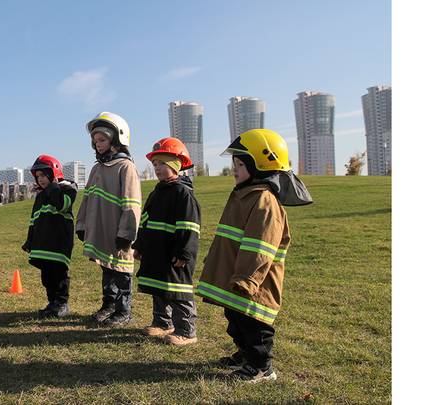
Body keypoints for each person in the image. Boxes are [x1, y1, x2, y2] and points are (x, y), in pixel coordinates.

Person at [194, 129, 312, 382]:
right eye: (234, 163)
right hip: (237, 275)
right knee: (236, 319)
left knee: (255, 325)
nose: (234, 169)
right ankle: (246, 354)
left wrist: (248, 279)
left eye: (239, 164)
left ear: (260, 165)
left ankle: (261, 366)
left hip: (255, 281)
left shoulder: (264, 201)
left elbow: (261, 246)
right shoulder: (244, 195)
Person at [132, 137, 201, 346]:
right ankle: (163, 323)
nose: (157, 168)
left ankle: (187, 331)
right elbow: (145, 221)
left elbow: (190, 227)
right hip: (156, 251)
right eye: (154, 164)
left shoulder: (183, 194)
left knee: (178, 290)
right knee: (159, 287)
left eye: (162, 163)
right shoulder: (157, 192)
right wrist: (139, 246)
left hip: (174, 253)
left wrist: (184, 254)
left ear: (175, 165)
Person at [75, 112, 142, 326]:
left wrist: (126, 234)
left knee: (121, 271)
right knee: (106, 268)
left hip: (117, 233)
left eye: (102, 140)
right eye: (95, 141)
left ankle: (124, 310)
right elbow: (87, 200)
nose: (98, 145)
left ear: (117, 139)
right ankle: (109, 305)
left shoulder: (126, 167)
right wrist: (82, 225)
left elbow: (132, 204)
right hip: (100, 230)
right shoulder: (96, 169)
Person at [22, 155, 78, 318]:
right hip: (42, 242)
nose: (40, 180)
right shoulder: (41, 196)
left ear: (54, 173)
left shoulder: (67, 189)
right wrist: (30, 239)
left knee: (59, 274)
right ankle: (52, 302)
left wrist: (52, 187)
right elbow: (35, 219)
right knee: (46, 276)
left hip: (59, 242)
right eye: (37, 177)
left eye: (44, 175)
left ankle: (62, 303)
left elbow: (62, 205)